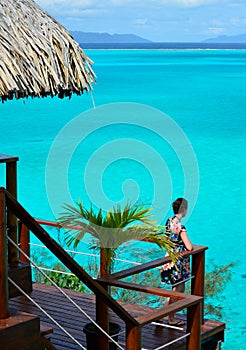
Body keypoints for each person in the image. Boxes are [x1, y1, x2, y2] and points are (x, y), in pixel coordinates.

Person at [161, 197, 193, 326]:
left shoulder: (168, 221)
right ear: (183, 210)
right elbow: (189, 247)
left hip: (169, 257)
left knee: (173, 289)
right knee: (178, 290)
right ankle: (171, 318)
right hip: (178, 262)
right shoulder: (180, 227)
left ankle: (162, 314)